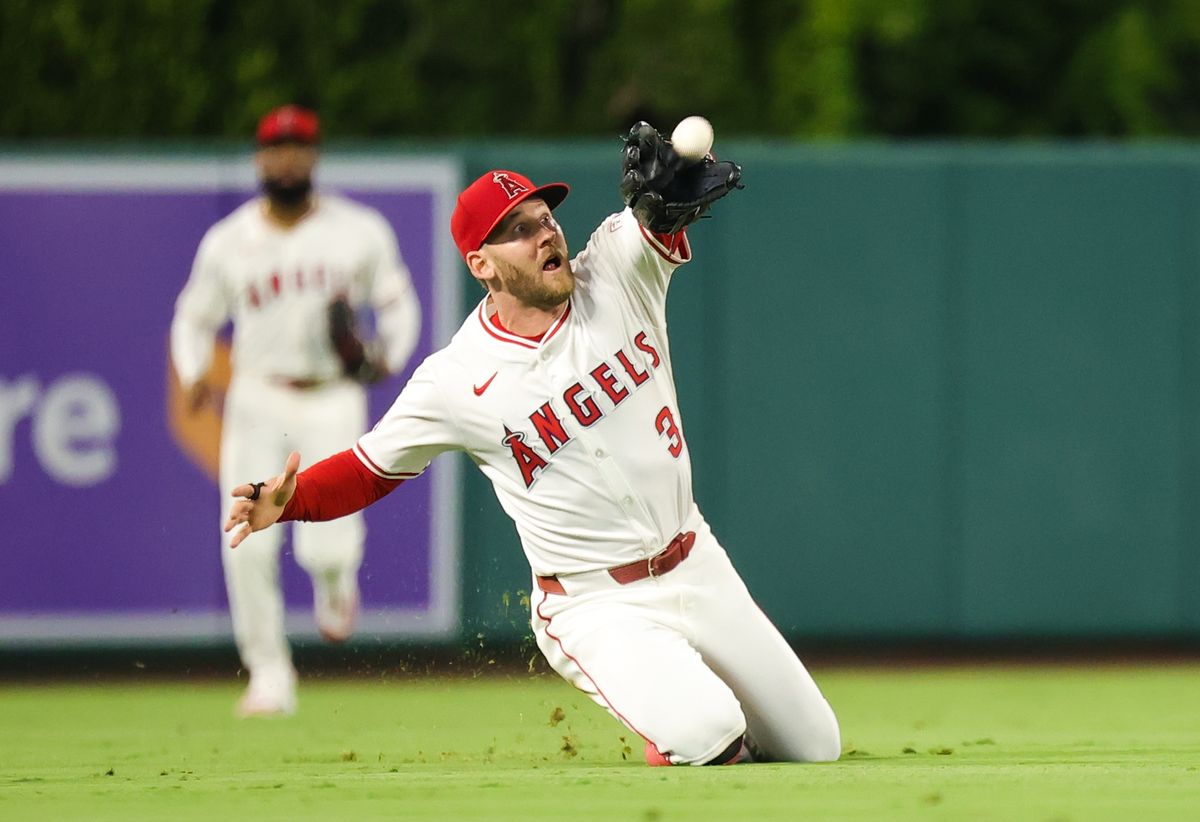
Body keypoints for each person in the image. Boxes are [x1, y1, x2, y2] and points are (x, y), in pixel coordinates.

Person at [224, 124, 840, 764]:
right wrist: (289, 503)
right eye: (518, 228)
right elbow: (371, 467)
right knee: (709, 732)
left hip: (695, 561)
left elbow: (649, 225)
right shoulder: (455, 378)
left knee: (816, 747)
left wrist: (664, 203)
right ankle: (677, 725)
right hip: (596, 604)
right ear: (481, 265)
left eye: (546, 217)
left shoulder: (614, 271)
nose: (546, 233)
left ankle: (683, 710)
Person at [170, 104, 422, 717]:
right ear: (260, 159)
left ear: (313, 157)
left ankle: (336, 584)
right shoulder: (228, 240)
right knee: (245, 538)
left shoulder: (357, 230)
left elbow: (399, 306)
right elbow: (193, 317)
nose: (286, 158)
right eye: (276, 149)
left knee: (329, 546)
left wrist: (387, 355)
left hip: (331, 395)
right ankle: (269, 676)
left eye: (298, 147)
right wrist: (194, 368)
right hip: (256, 397)